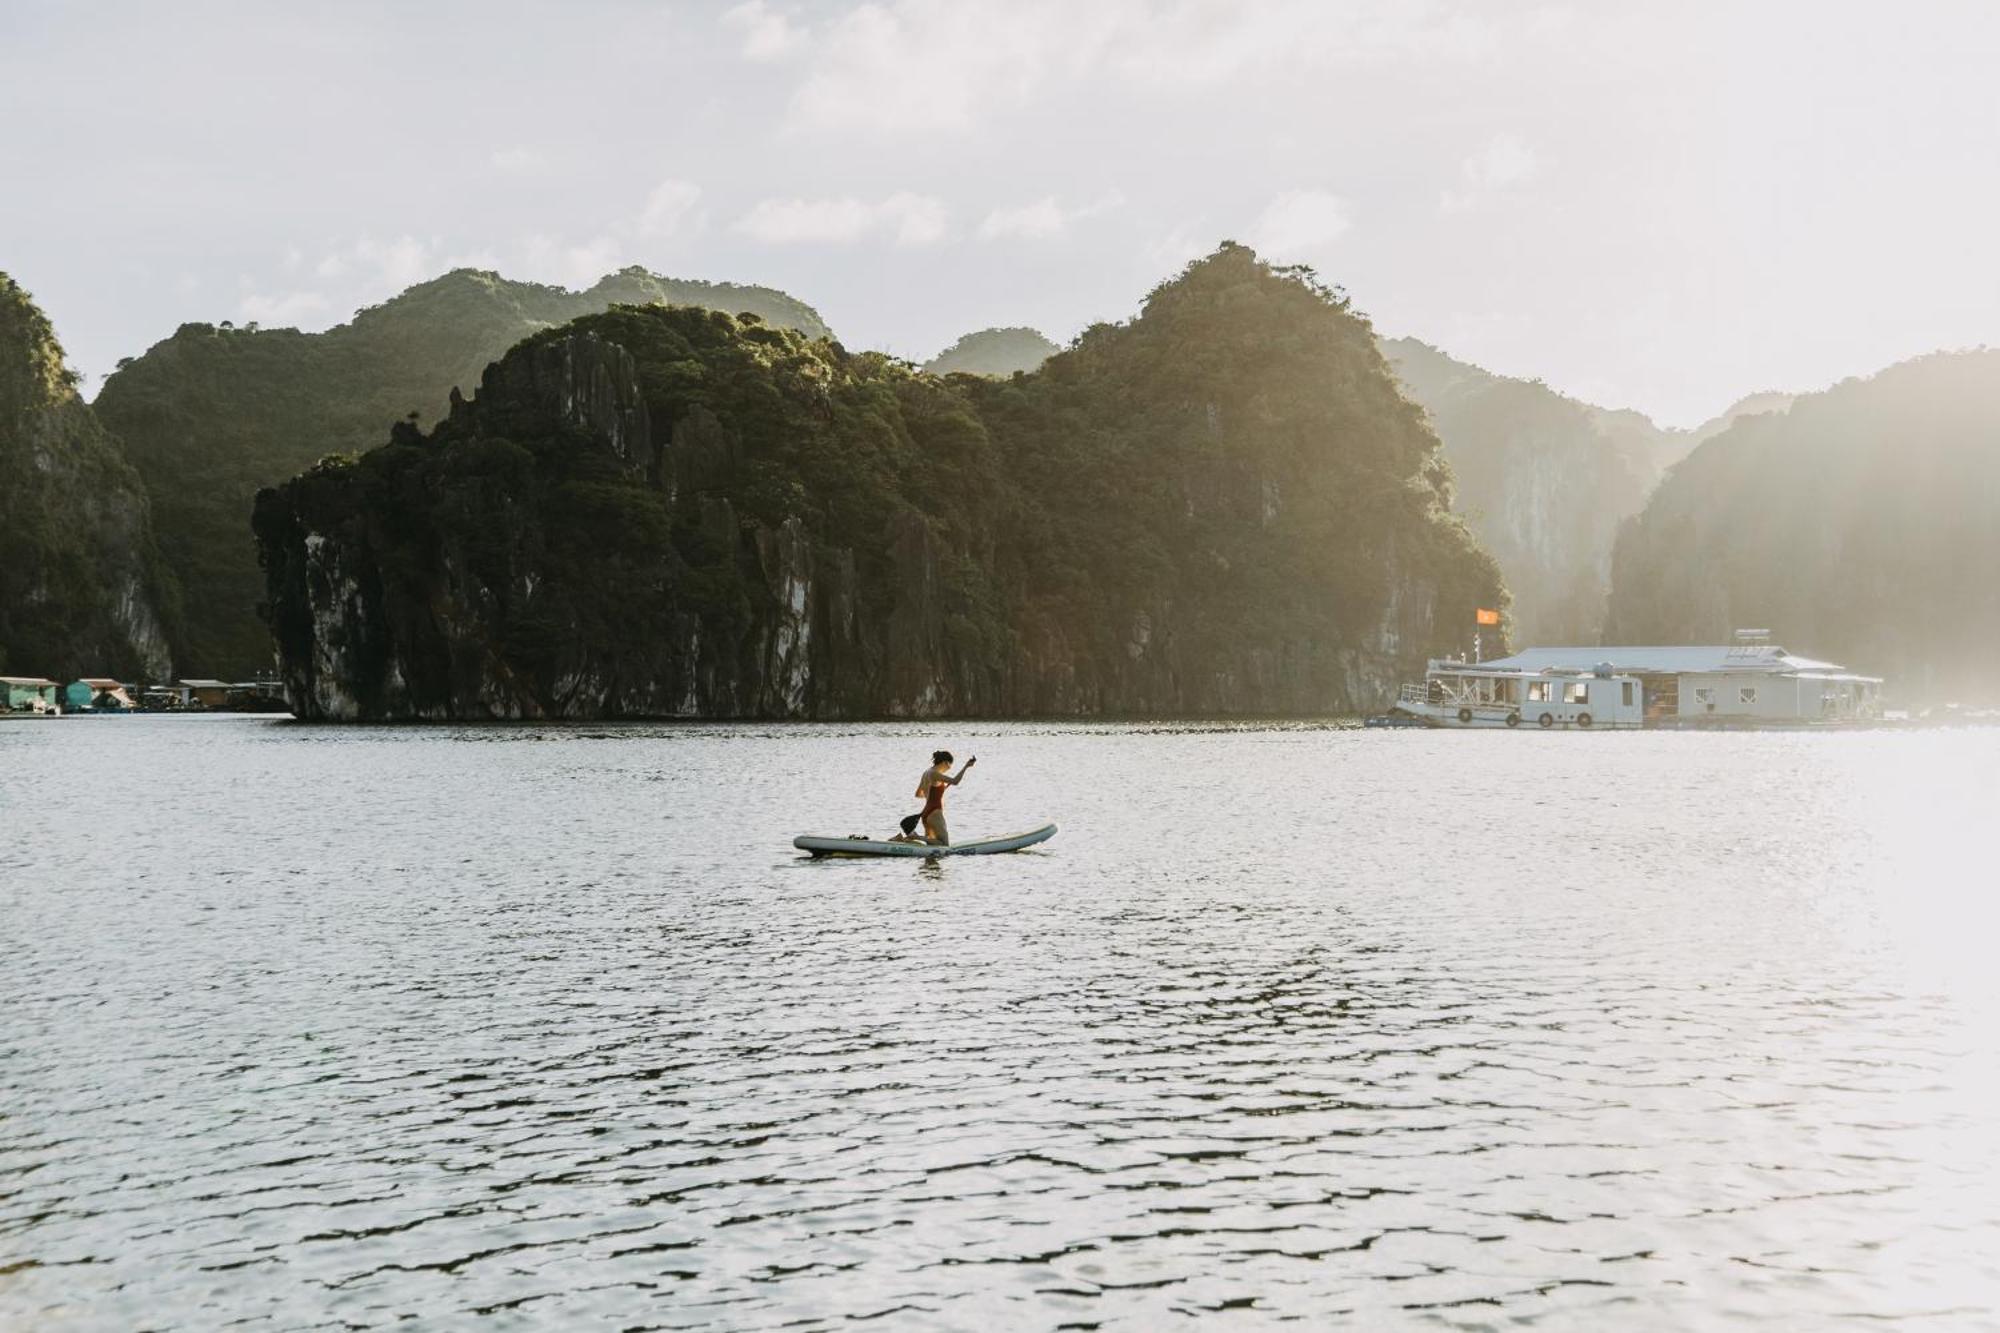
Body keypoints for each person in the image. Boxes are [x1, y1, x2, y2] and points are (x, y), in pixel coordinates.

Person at [914, 750, 975, 846]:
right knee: (944, 844)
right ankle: (914, 836)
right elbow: (955, 781)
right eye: (950, 765)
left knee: (932, 846)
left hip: (926, 812)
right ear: (945, 762)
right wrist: (966, 766)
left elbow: (918, 794)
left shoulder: (926, 772)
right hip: (935, 812)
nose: (949, 768)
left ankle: (904, 839)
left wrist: (938, 792)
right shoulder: (935, 773)